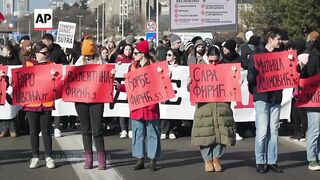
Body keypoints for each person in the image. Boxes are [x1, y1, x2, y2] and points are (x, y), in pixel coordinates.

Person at [188, 46, 236, 172]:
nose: (213, 63)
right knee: (205, 133)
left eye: (216, 61)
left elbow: (231, 85)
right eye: (211, 61)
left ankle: (217, 158)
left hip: (221, 106)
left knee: (221, 133)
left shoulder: (225, 67)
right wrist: (190, 83)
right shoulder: (199, 67)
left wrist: (236, 83)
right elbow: (191, 89)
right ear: (206, 58)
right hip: (205, 107)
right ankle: (207, 159)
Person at [115, 40, 161, 171]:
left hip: (151, 107)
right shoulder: (132, 67)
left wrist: (165, 76)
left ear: (143, 53)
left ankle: (153, 159)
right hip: (137, 106)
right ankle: (139, 158)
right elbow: (130, 87)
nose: (133, 55)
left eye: (136, 53)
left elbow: (161, 85)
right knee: (137, 133)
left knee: (153, 133)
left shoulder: (155, 66)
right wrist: (120, 87)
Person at [247, 27, 284, 173]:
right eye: (278, 39)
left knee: (273, 130)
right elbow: (250, 78)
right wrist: (255, 72)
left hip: (276, 97)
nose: (280, 42)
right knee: (262, 131)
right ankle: (260, 161)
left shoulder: (281, 55)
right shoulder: (256, 54)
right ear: (270, 39)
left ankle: (272, 160)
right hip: (262, 96)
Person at [74, 36, 107, 170]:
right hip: (81, 100)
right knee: (85, 129)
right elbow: (72, 77)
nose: (88, 58)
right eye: (85, 55)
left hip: (97, 100)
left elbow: (107, 77)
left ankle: (101, 157)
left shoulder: (101, 62)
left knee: (97, 130)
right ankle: (88, 158)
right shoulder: (79, 62)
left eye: (89, 55)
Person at [24, 41, 55, 169]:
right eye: (44, 52)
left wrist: (55, 75)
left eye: (48, 52)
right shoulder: (27, 64)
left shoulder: (51, 64)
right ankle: (35, 156)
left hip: (46, 102)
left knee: (46, 131)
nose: (47, 54)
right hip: (31, 103)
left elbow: (58, 82)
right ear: (36, 53)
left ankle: (48, 157)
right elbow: (21, 81)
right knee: (33, 132)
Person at [297, 37, 320, 171]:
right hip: (314, 100)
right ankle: (312, 158)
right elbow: (307, 76)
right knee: (314, 130)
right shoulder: (314, 58)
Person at [0, 43, 21, 138]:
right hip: (2, 86)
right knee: (2, 108)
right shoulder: (1, 59)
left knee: (11, 108)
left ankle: (13, 129)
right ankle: (4, 129)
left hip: (11, 87)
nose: (2, 51)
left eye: (3, 50)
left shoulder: (15, 59)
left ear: (8, 51)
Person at [115, 44, 134, 138]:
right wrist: (117, 65)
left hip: (131, 88)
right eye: (126, 49)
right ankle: (123, 130)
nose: (128, 51)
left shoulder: (134, 61)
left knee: (131, 108)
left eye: (130, 49)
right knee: (122, 109)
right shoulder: (119, 60)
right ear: (123, 50)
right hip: (122, 88)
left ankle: (130, 129)